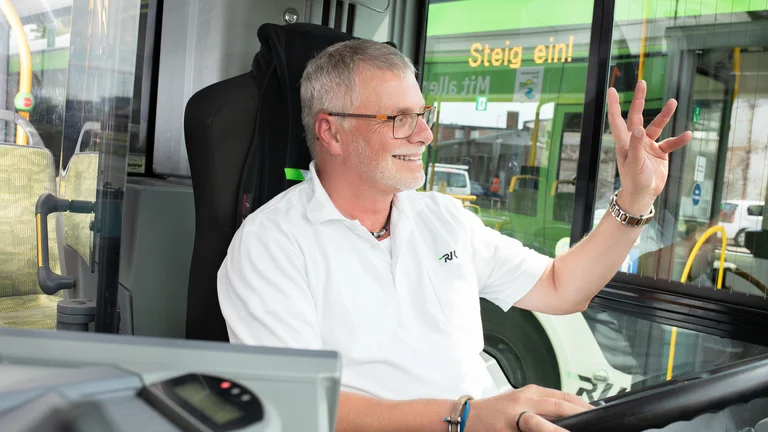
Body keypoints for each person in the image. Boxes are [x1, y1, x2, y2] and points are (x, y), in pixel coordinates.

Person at [217, 39, 692, 432]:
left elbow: (561, 287)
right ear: (331, 133)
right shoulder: (270, 244)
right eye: (399, 118)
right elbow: (295, 406)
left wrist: (635, 198)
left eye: (424, 114)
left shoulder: (442, 218)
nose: (425, 135)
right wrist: (462, 417)